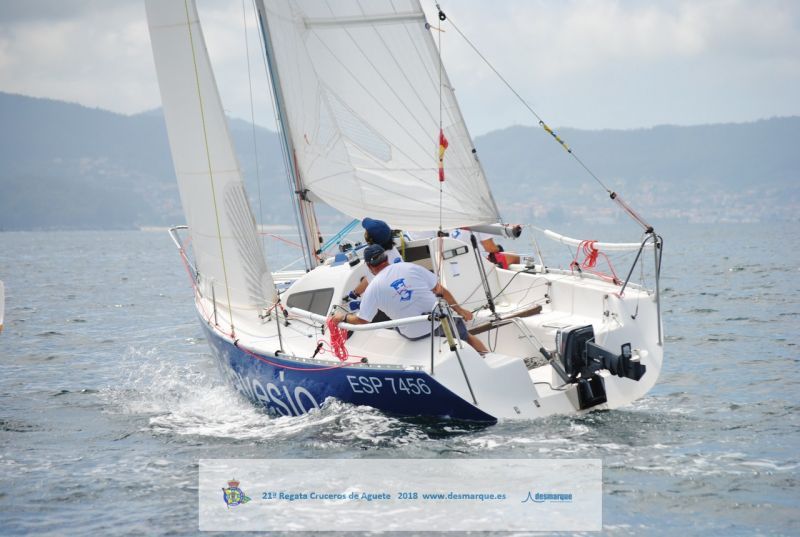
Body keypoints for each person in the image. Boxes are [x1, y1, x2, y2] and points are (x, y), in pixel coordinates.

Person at [331, 244, 489, 354]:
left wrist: (342, 317)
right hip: (441, 321)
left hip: (415, 333)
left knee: (395, 326)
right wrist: (460, 310)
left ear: (368, 266)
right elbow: (440, 290)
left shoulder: (372, 288)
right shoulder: (410, 267)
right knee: (467, 337)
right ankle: (486, 357)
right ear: (386, 257)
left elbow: (362, 321)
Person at [349, 218, 403, 299]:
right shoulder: (392, 250)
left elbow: (370, 281)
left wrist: (353, 294)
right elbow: (370, 278)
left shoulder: (377, 260)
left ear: (370, 239)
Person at [450, 228, 521, 270]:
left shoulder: (454, 227)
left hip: (459, 262)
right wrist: (499, 248)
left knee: (511, 253)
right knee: (515, 257)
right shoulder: (480, 224)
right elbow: (490, 248)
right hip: (478, 263)